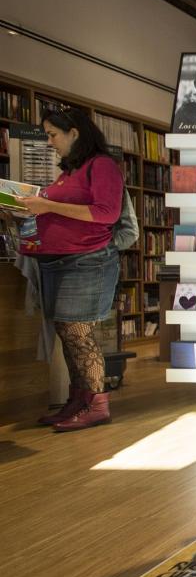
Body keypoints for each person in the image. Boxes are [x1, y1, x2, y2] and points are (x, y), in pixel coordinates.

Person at [17, 105, 122, 431]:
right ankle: (79, 399)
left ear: (74, 133)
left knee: (78, 333)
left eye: (53, 134)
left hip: (86, 261)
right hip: (60, 262)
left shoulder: (102, 166)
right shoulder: (69, 172)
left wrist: (47, 205)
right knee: (68, 332)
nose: (49, 142)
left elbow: (107, 213)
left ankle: (97, 403)